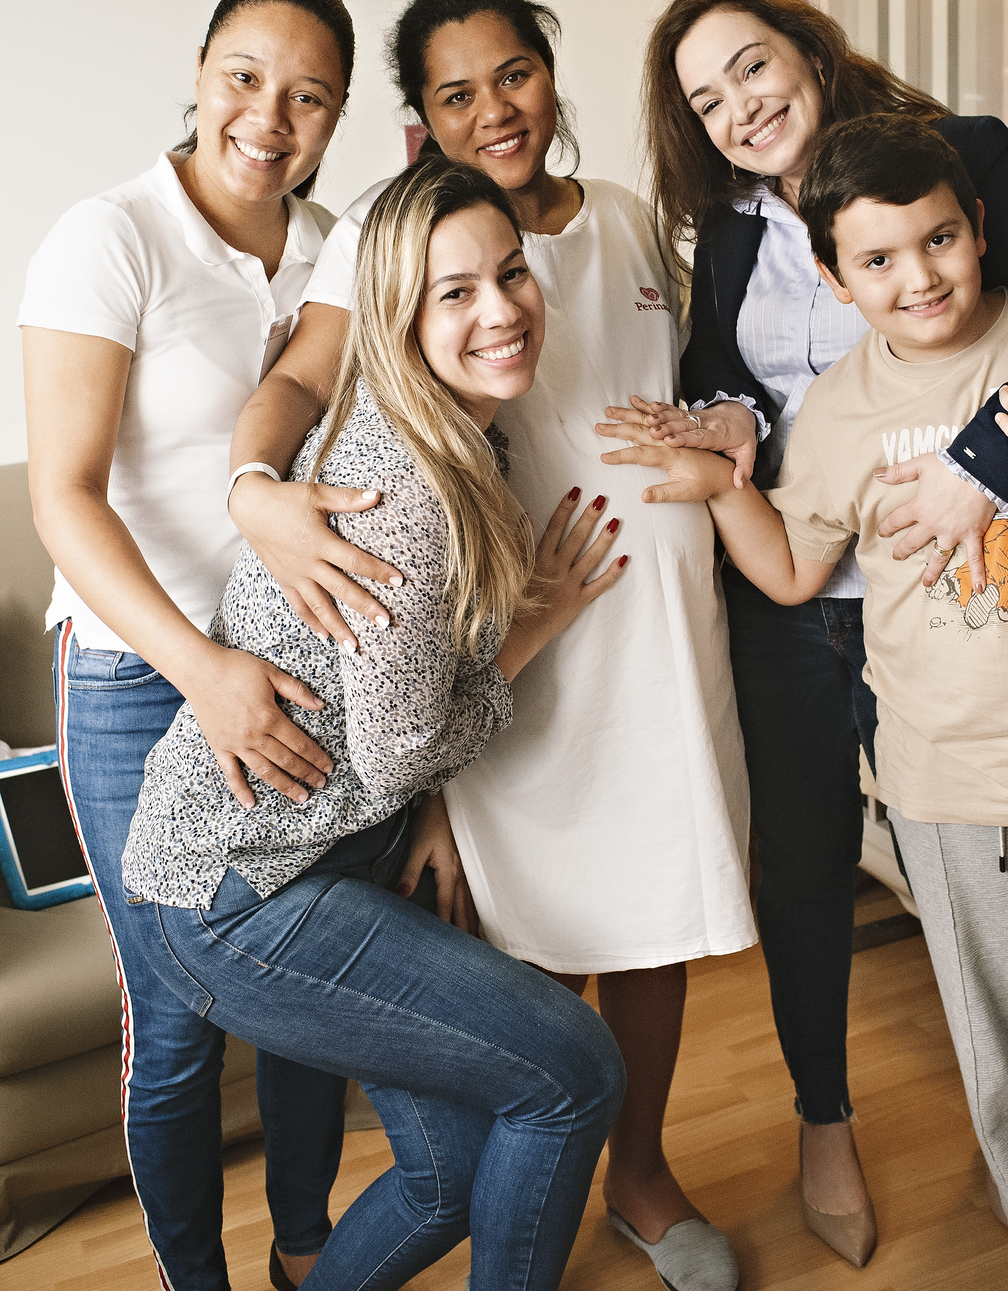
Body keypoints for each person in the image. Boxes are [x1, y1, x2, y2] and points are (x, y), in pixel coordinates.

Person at [614, 0, 1008, 1268]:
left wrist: (988, 467)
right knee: (808, 868)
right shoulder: (735, 230)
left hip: (971, 592)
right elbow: (718, 374)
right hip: (806, 585)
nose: (740, 106)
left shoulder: (951, 160)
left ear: (809, 51)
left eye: (753, 67)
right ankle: (830, 1121)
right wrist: (731, 427)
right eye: (707, 98)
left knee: (987, 912)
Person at [226, 0, 754, 1291]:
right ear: (421, 120)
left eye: (513, 73)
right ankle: (553, 1169)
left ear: (551, 75)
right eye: (456, 91)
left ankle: (640, 1169)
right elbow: (300, 378)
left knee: (658, 908)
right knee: (529, 933)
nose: (494, 108)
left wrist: (734, 430)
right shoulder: (393, 237)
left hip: (659, 633)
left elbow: (701, 389)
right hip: (507, 645)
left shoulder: (626, 220)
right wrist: (261, 493)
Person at [119, 155, 628, 1291]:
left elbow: (393, 724)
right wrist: (528, 637)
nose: (501, 309)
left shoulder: (456, 438)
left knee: (446, 1175)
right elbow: (399, 749)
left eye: (511, 273)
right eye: (454, 293)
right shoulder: (398, 482)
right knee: (575, 1071)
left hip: (307, 868)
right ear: (395, 316)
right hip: (246, 897)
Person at [19, 0, 361, 1291]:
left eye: (306, 93)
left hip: (286, 669)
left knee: (301, 989)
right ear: (200, 70)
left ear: (335, 116)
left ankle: (307, 1247)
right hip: (130, 676)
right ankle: (190, 1274)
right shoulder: (110, 235)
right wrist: (203, 671)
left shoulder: (335, 247)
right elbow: (62, 495)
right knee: (170, 1020)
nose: (267, 114)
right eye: (243, 75)